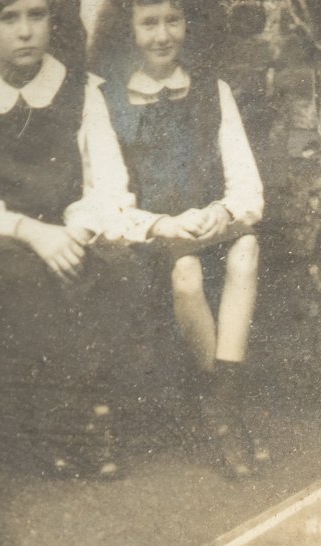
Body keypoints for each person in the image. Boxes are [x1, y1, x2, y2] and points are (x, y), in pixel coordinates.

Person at [0, 0, 162, 478]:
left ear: (54, 21)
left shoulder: (79, 89)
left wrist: (79, 228)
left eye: (37, 16)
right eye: (10, 19)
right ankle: (51, 423)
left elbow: (107, 177)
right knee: (22, 276)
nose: (26, 32)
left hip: (70, 222)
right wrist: (31, 232)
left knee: (119, 265)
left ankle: (92, 414)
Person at [91, 0, 264, 477]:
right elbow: (108, 202)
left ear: (189, 24)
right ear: (128, 31)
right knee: (185, 273)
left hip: (208, 227)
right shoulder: (105, 98)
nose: (163, 34)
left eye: (173, 20)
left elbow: (247, 185)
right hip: (154, 238)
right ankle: (225, 411)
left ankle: (220, 409)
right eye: (149, 23)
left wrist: (221, 211)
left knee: (246, 249)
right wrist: (162, 225)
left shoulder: (213, 90)